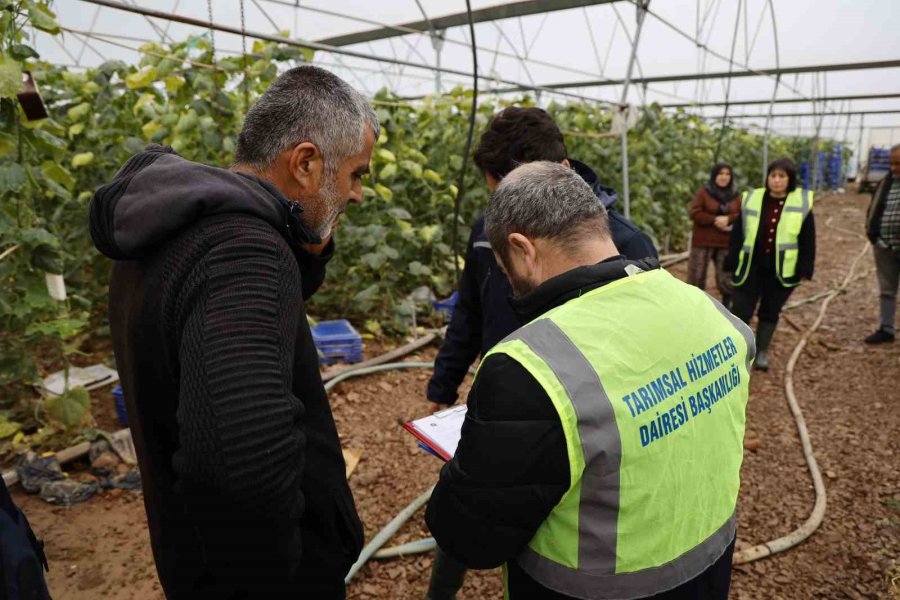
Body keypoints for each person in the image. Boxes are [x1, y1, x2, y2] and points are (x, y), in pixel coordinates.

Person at [89, 66, 378, 599]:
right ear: (306, 163)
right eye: (356, 173)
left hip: (192, 558)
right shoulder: (244, 255)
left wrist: (307, 237)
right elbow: (241, 469)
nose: (358, 193)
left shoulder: (171, 228)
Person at [425, 161, 754, 600]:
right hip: (708, 570)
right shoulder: (707, 309)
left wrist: (469, 463)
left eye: (505, 268)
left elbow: (471, 536)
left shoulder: (528, 367)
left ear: (522, 249)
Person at [424, 107, 657, 600]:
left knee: (557, 530)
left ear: (560, 173)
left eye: (513, 193)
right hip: (504, 403)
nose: (505, 211)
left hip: (586, 421)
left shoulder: (627, 244)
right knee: (469, 510)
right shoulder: (488, 229)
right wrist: (443, 385)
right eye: (497, 197)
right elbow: (470, 308)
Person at [725, 158, 815, 371]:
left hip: (781, 269)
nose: (776, 180)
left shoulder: (800, 203)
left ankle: (762, 351)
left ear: (790, 180)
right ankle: (739, 350)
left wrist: (805, 267)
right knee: (742, 309)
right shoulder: (753, 199)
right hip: (752, 266)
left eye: (782, 176)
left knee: (770, 310)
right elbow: (738, 233)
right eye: (773, 175)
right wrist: (731, 260)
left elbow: (808, 238)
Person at [687, 163, 741, 307]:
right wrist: (714, 220)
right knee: (697, 275)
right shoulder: (704, 193)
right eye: (721, 174)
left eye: (727, 174)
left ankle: (728, 306)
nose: (724, 177)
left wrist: (728, 219)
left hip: (725, 241)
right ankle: (694, 305)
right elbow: (694, 213)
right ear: (714, 176)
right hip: (703, 240)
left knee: (726, 277)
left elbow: (741, 214)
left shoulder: (735, 195)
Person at [863, 143, 900, 344]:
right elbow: (874, 208)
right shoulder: (885, 182)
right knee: (887, 289)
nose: (894, 167)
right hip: (884, 245)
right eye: (891, 163)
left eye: (898, 163)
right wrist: (873, 234)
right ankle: (886, 328)